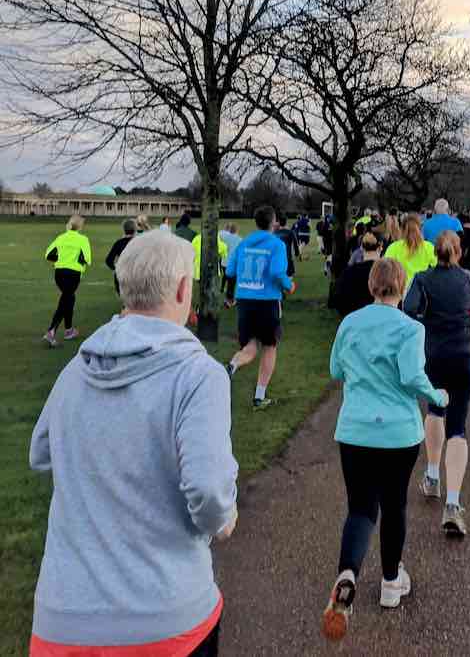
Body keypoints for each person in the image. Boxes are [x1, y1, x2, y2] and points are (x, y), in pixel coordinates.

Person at [29, 231, 238, 657]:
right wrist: (223, 518)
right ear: (183, 289)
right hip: (163, 616)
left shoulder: (78, 369)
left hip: (63, 620)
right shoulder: (199, 375)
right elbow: (209, 491)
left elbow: (41, 451)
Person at [322, 258, 448, 641]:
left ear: (372, 286)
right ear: (402, 286)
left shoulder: (350, 323)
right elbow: (412, 376)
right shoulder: (411, 329)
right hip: (397, 432)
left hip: (355, 429)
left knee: (361, 508)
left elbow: (335, 371)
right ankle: (391, 581)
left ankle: (348, 574)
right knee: (394, 505)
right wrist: (436, 395)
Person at [403, 231, 470, 537]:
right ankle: (453, 504)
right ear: (459, 252)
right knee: (458, 426)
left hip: (433, 354)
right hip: (462, 356)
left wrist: (429, 321)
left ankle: (432, 477)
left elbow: (409, 310)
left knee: (435, 410)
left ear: (436, 252)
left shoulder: (421, 278)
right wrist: (468, 319)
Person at [225, 206, 295, 409]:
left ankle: (233, 365)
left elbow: (230, 270)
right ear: (273, 222)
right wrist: (289, 286)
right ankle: (259, 396)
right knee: (270, 346)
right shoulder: (277, 244)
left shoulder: (244, 242)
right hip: (267, 301)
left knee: (251, 346)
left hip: (245, 301)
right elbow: (276, 272)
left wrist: (231, 294)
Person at [43, 215, 92, 347]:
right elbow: (87, 258)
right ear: (80, 226)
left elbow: (48, 254)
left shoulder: (61, 237)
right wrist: (77, 262)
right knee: (67, 299)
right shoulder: (83, 239)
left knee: (69, 298)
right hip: (73, 274)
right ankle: (51, 331)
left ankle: (69, 330)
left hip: (59, 273)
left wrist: (61, 260)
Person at [330, 233, 383, 318]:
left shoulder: (349, 272)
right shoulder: (386, 272)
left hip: (355, 319)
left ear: (362, 248)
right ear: (380, 247)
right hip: (380, 319)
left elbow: (338, 298)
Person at [384, 213, 436, 287]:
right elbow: (437, 269)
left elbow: (386, 270)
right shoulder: (429, 247)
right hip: (422, 289)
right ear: (420, 229)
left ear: (402, 230)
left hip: (399, 289)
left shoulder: (393, 247)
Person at [105, 218, 136, 297]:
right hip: (135, 274)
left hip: (121, 274)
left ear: (124, 230)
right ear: (135, 229)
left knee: (124, 297)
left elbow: (108, 261)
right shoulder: (139, 242)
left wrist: (115, 269)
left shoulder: (119, 243)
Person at [219, 223, 241, 305]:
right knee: (232, 283)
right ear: (236, 230)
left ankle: (229, 299)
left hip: (224, 263)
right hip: (233, 264)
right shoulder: (239, 239)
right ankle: (229, 300)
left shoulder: (224, 237)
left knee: (229, 282)